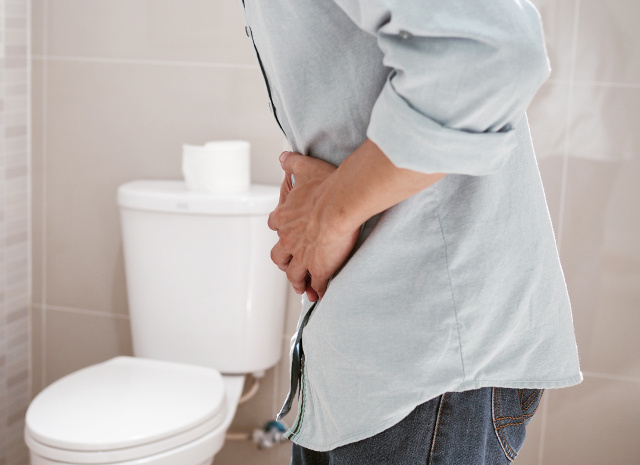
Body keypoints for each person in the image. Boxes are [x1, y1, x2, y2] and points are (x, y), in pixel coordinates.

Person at [241, 0, 582, 463]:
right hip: (359, 353)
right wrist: (315, 196)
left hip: (425, 359)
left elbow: (490, 51)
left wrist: (328, 212)